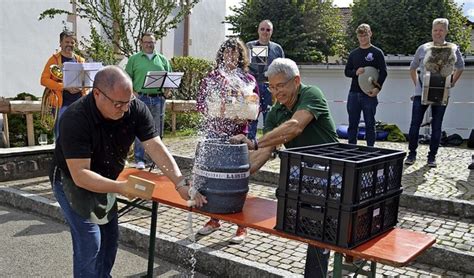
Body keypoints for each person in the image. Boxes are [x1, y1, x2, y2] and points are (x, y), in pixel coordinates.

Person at [50, 65, 206, 277]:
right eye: (118, 104)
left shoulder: (134, 108)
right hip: (71, 180)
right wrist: (121, 187)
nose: (125, 109)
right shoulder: (75, 118)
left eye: (128, 101)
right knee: (90, 240)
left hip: (105, 179)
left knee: (110, 239)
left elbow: (155, 147)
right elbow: (81, 175)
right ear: (97, 94)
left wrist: (180, 183)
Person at [230, 58, 338, 278]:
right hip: (304, 177)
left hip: (331, 173)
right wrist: (235, 175)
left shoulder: (311, 94)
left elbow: (294, 127)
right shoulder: (276, 112)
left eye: (280, 85)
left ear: (296, 81)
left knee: (321, 233)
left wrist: (257, 142)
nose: (275, 92)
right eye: (271, 86)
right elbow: (265, 151)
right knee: (312, 230)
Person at [196, 38, 259, 244]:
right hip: (215, 135)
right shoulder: (212, 77)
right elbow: (201, 105)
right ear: (221, 55)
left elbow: (255, 107)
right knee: (214, 180)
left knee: (237, 180)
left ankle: (242, 226)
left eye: (235, 53)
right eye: (227, 53)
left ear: (241, 56)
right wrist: (216, 111)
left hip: (238, 136)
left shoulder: (248, 79)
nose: (230, 57)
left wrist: (246, 115)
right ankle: (214, 219)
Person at [405, 18, 465, 167]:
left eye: (441, 30)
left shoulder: (453, 48)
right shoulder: (423, 48)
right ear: (432, 31)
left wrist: (452, 82)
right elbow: (412, 68)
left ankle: (432, 157)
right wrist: (417, 86)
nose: (438, 33)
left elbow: (461, 66)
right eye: (435, 30)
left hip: (442, 92)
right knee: (415, 124)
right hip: (422, 93)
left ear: (446, 31)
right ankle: (411, 154)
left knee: (437, 125)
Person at [125, 32, 172, 170]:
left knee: (156, 130)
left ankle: (155, 159)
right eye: (146, 42)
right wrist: (133, 92)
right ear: (141, 43)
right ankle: (140, 159)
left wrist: (168, 91)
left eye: (151, 42)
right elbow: (127, 78)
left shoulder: (162, 60)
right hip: (141, 98)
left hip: (158, 98)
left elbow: (169, 78)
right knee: (140, 129)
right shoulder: (134, 59)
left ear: (154, 43)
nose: (149, 44)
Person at [344, 23, 387, 147]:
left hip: (369, 94)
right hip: (354, 93)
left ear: (370, 34)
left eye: (365, 35)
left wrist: (377, 88)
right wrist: (355, 72)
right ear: (357, 37)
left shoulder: (377, 52)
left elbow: (383, 72)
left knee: (369, 124)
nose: (363, 38)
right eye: (360, 36)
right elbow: (347, 72)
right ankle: (351, 149)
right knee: (352, 124)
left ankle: (370, 150)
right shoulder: (353, 54)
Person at [40, 30, 86, 138]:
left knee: (79, 134)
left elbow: (85, 81)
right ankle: (60, 154)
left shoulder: (80, 60)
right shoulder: (53, 60)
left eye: (72, 42)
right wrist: (64, 86)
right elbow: (44, 80)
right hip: (61, 104)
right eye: (67, 42)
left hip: (79, 102)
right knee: (61, 134)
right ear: (60, 43)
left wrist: (81, 87)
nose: (70, 44)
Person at [246, 19, 285, 140]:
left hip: (271, 88)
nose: (265, 32)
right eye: (262, 29)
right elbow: (243, 66)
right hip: (252, 88)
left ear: (272, 32)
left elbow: (282, 69)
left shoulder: (277, 49)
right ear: (258, 30)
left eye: (268, 29)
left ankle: (269, 144)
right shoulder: (249, 46)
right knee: (251, 116)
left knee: (271, 117)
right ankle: (250, 144)